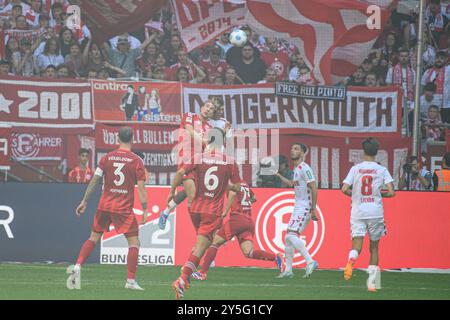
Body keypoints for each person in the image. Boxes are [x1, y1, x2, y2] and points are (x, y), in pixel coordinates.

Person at [66, 127, 148, 291]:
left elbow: (95, 181)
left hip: (105, 205)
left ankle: (77, 266)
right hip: (123, 208)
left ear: (117, 139)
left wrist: (84, 201)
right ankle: (130, 281)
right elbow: (141, 188)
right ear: (132, 139)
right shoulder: (137, 160)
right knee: (134, 242)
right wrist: (145, 209)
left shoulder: (106, 158)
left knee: (93, 238)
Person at [170, 128, 241, 299]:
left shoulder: (197, 158)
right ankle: (182, 278)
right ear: (222, 141)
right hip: (212, 210)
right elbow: (237, 188)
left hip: (194, 207)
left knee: (201, 244)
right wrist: (225, 185)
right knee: (202, 246)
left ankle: (186, 274)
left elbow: (181, 173)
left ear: (207, 140)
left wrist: (171, 192)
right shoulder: (229, 162)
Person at [191, 180, 283, 280]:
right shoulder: (244, 184)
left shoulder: (230, 183)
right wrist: (244, 205)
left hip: (237, 219)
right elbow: (254, 198)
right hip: (248, 221)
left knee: (214, 242)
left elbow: (232, 193)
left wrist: (225, 212)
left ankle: (202, 272)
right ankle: (275, 257)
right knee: (249, 253)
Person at [341, 138, 395, 292]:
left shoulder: (356, 169)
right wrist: (378, 195)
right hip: (375, 212)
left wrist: (355, 195)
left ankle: (351, 259)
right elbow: (391, 192)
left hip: (358, 211)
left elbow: (344, 189)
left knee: (357, 245)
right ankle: (372, 283)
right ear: (377, 153)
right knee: (374, 248)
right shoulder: (381, 170)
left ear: (363, 151)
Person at [158, 101, 215, 230]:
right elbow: (189, 130)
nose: (208, 109)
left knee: (189, 191)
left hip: (199, 162)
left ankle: (165, 212)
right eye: (207, 106)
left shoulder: (210, 128)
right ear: (202, 107)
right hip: (186, 158)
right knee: (193, 198)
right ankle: (200, 230)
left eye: (211, 109)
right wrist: (204, 141)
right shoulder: (189, 116)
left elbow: (208, 148)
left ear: (212, 113)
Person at [275, 143, 319, 279]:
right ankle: (288, 270)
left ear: (303, 153)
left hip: (305, 207)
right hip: (298, 206)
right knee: (288, 239)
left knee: (290, 236)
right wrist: (279, 175)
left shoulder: (305, 168)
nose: (292, 150)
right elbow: (293, 184)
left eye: (296, 149)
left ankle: (310, 261)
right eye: (292, 148)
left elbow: (314, 187)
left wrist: (313, 210)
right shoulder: (297, 168)